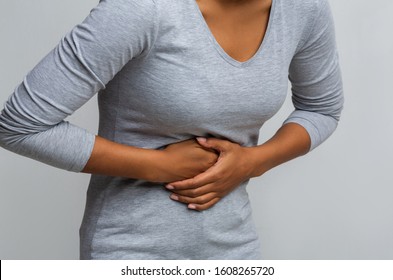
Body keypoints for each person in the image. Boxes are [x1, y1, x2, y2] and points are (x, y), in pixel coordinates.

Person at [0, 0, 343, 259]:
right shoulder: (140, 8)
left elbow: (322, 108)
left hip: (235, 246)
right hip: (130, 249)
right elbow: (20, 125)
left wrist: (255, 161)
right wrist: (159, 166)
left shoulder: (303, 8)